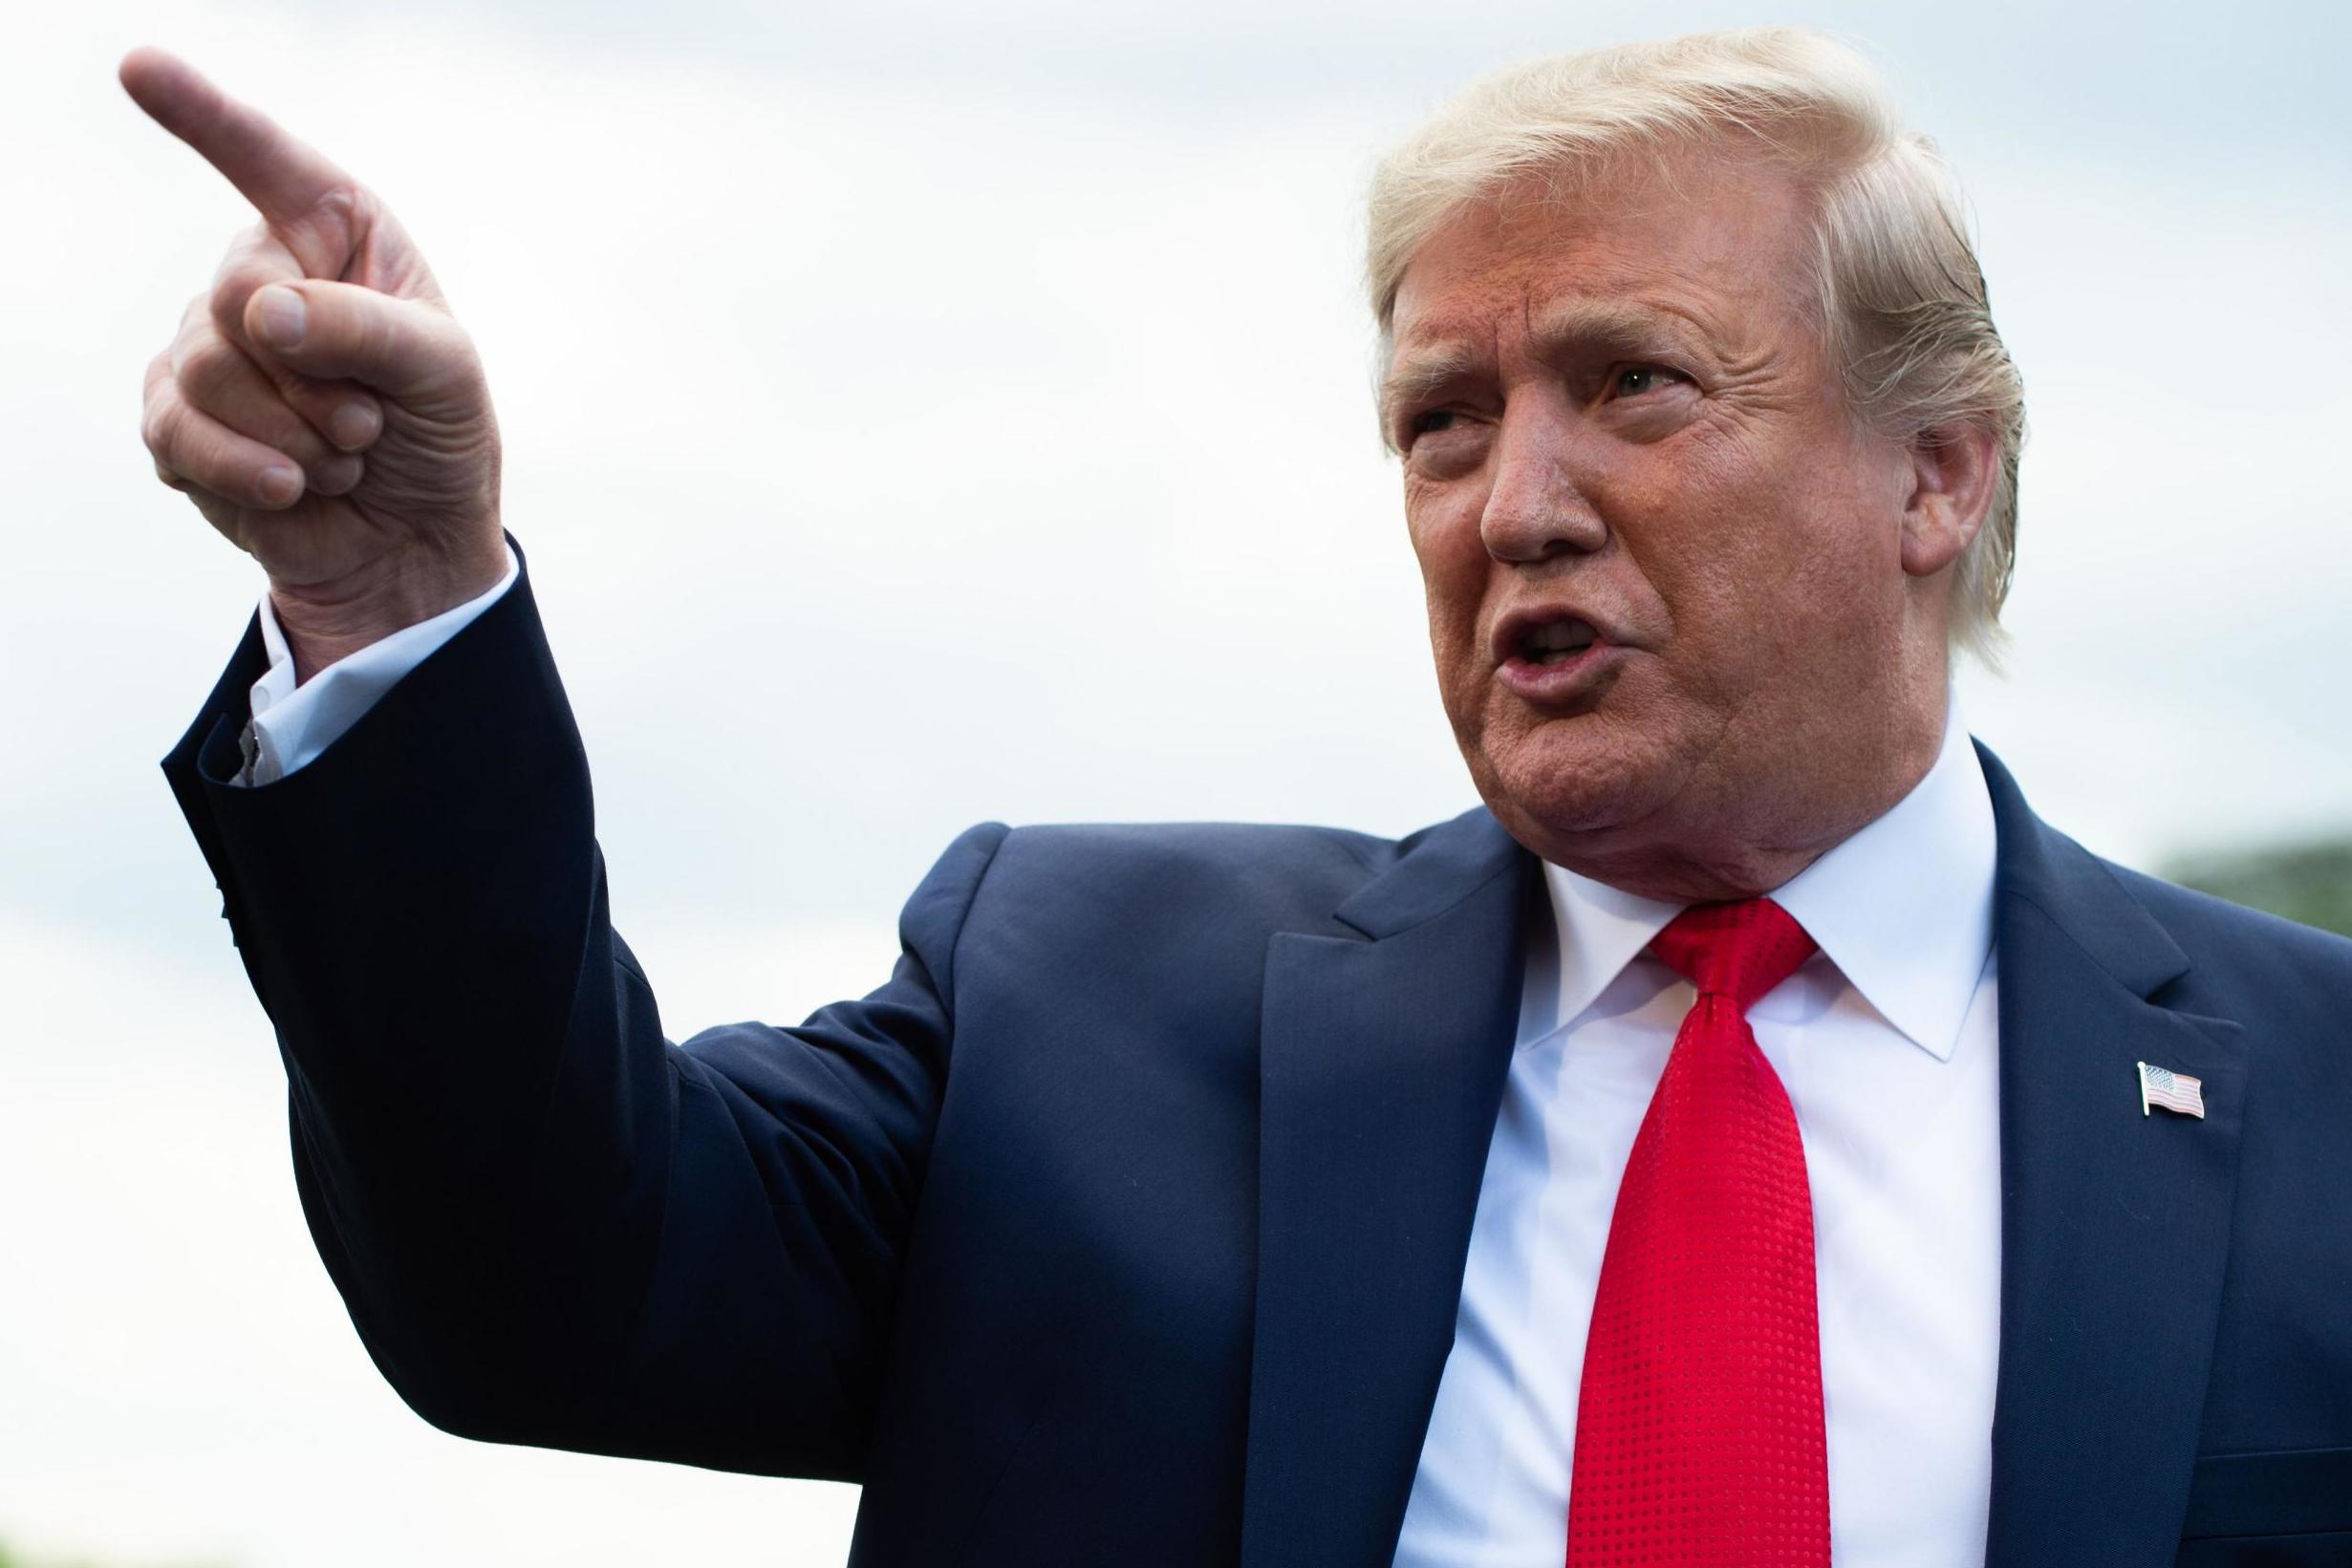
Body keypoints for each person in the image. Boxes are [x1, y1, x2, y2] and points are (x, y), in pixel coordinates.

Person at [127, 27, 2350, 1568]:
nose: (1517, 504)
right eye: (1443, 421)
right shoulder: (1071, 1008)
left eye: (1634, 386)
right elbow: (542, 1279)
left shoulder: (2315, 1095)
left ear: (1934, 472)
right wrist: (393, 603)